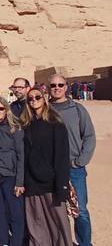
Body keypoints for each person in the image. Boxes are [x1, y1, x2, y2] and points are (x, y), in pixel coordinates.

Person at [21, 87, 73, 245]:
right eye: (30, 98)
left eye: (37, 97)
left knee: (58, 222)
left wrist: (62, 186)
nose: (34, 100)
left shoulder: (55, 123)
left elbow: (62, 157)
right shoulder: (27, 124)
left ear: (44, 99)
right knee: (37, 222)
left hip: (50, 182)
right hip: (32, 182)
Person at [49, 74, 95, 246]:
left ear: (66, 87)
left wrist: (80, 161)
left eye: (60, 84)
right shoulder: (45, 109)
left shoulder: (77, 109)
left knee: (80, 210)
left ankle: (84, 243)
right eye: (53, 85)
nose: (57, 88)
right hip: (53, 169)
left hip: (74, 168)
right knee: (58, 210)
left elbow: (89, 136)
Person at [0, 97, 25, 246]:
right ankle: (3, 242)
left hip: (10, 176)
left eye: (0, 108)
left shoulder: (15, 127)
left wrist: (20, 182)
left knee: (16, 214)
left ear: (6, 110)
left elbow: (21, 156)